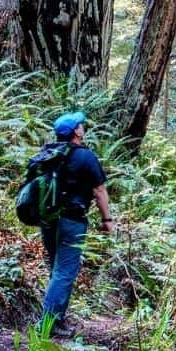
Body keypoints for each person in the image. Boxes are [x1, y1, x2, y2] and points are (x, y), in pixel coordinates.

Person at [37, 111, 114, 337]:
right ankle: (47, 325)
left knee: (57, 269)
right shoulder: (85, 157)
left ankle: (56, 320)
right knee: (64, 272)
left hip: (48, 220)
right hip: (72, 220)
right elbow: (99, 191)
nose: (83, 126)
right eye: (80, 125)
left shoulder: (47, 153)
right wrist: (107, 219)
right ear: (76, 132)